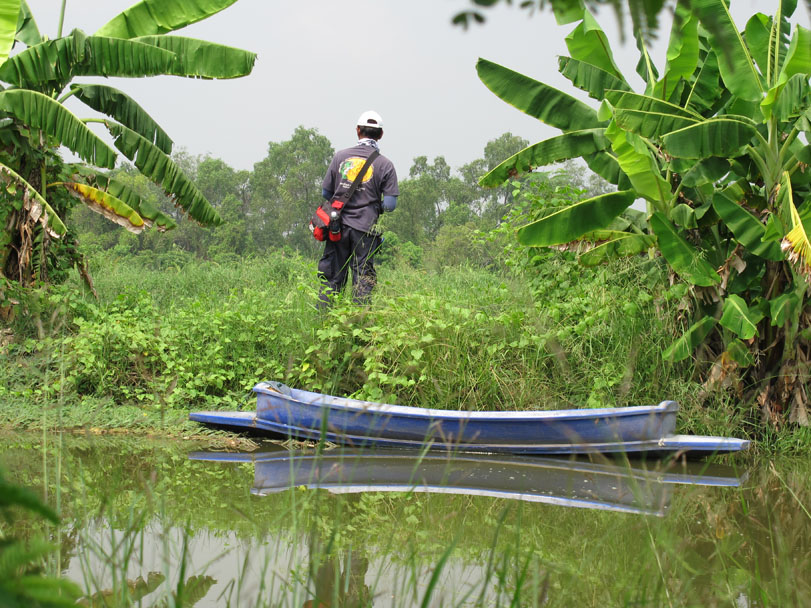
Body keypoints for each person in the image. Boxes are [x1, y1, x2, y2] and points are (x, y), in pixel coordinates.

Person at [317, 110, 399, 307]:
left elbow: (326, 193)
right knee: (363, 279)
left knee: (332, 278)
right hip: (365, 229)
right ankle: (359, 326)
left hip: (337, 227)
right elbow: (390, 205)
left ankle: (324, 324)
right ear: (380, 135)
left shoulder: (340, 157)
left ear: (357, 131)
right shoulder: (385, 165)